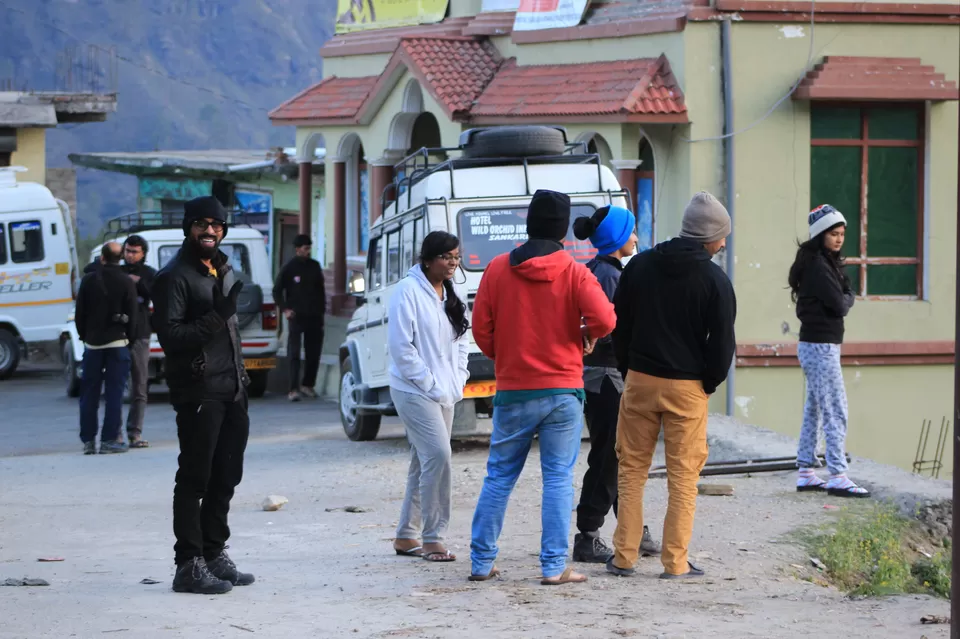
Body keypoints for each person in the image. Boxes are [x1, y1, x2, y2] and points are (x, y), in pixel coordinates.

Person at [469, 189, 617, 586]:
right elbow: (605, 317)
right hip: (563, 392)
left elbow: (481, 329)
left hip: (514, 390)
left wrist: (507, 356)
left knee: (498, 476)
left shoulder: (498, 269)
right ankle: (553, 568)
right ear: (563, 231)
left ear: (528, 223)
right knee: (557, 479)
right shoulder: (574, 271)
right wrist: (586, 335)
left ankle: (481, 562)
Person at [608, 191, 736, 580]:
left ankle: (624, 557)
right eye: (722, 236)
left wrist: (630, 368)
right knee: (684, 477)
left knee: (631, 470)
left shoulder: (639, 266)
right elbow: (723, 342)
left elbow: (621, 325)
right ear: (708, 238)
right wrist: (708, 384)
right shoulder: (715, 279)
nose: (724, 243)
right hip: (687, 387)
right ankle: (675, 562)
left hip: (641, 382)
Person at [153, 196, 255, 595]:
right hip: (198, 390)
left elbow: (230, 334)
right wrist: (218, 314)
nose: (210, 231)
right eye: (202, 224)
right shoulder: (174, 276)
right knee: (195, 478)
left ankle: (213, 553)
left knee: (226, 476)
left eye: (216, 224)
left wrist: (241, 378)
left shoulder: (222, 268)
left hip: (232, 388)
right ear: (187, 228)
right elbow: (172, 338)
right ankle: (188, 565)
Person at [570, 206, 661, 563]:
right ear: (618, 238)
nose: (637, 238)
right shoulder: (608, 276)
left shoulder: (603, 270)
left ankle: (633, 531)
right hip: (606, 378)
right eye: (633, 231)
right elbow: (608, 330)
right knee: (610, 456)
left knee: (620, 455)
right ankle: (587, 535)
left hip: (604, 378)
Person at [388, 231, 470, 563]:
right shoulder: (406, 292)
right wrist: (431, 384)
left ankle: (406, 535)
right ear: (427, 259)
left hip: (446, 390)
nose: (452, 263)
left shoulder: (453, 293)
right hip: (412, 389)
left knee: (423, 461)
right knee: (439, 455)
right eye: (446, 257)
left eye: (456, 257)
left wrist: (459, 379)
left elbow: (464, 338)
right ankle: (434, 537)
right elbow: (401, 349)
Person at [788, 205, 868, 498]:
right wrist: (848, 298)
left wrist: (846, 297)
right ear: (820, 234)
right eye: (833, 233)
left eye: (842, 234)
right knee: (836, 408)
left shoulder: (822, 263)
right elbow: (840, 303)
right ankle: (837, 474)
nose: (839, 239)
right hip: (820, 347)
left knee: (816, 409)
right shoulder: (819, 267)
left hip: (816, 345)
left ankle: (807, 471)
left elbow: (843, 298)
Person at [76, 242, 138, 455]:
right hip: (117, 343)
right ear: (120, 258)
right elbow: (133, 315)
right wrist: (129, 339)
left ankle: (88, 441)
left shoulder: (88, 280)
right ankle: (110, 440)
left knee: (89, 394)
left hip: (92, 344)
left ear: (101, 258)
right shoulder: (126, 281)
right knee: (114, 393)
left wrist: (85, 336)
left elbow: (79, 314)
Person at [273, 234, 327, 402]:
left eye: (309, 248)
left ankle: (308, 385)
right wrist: (285, 310)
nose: (308, 251)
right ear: (297, 249)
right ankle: (293, 389)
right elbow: (277, 291)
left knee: (314, 352)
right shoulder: (289, 268)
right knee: (294, 353)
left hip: (314, 316)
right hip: (296, 316)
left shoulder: (315, 266)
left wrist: (322, 311)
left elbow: (321, 291)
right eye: (305, 248)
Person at [122, 234, 157, 448]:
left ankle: (134, 432)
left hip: (141, 334)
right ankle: (113, 434)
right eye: (127, 251)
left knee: (139, 386)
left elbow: (157, 294)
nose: (130, 256)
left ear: (143, 253)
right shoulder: (117, 272)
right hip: (117, 334)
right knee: (115, 386)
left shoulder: (149, 274)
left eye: (134, 252)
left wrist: (139, 283)